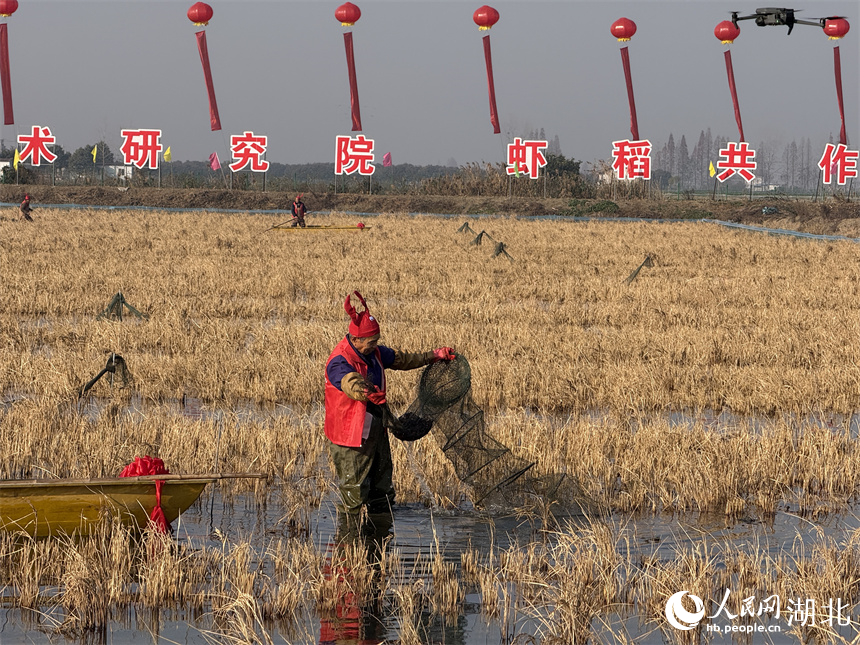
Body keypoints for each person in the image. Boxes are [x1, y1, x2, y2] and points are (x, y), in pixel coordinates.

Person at [324, 291, 455, 525]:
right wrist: (365, 391)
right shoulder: (340, 361)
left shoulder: (373, 353)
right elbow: (348, 381)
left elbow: (403, 359)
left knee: (382, 490)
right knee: (354, 495)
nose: (376, 345)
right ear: (356, 340)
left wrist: (434, 356)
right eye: (371, 342)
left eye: (376, 341)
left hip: (376, 430)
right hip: (351, 438)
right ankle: (349, 546)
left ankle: (380, 540)